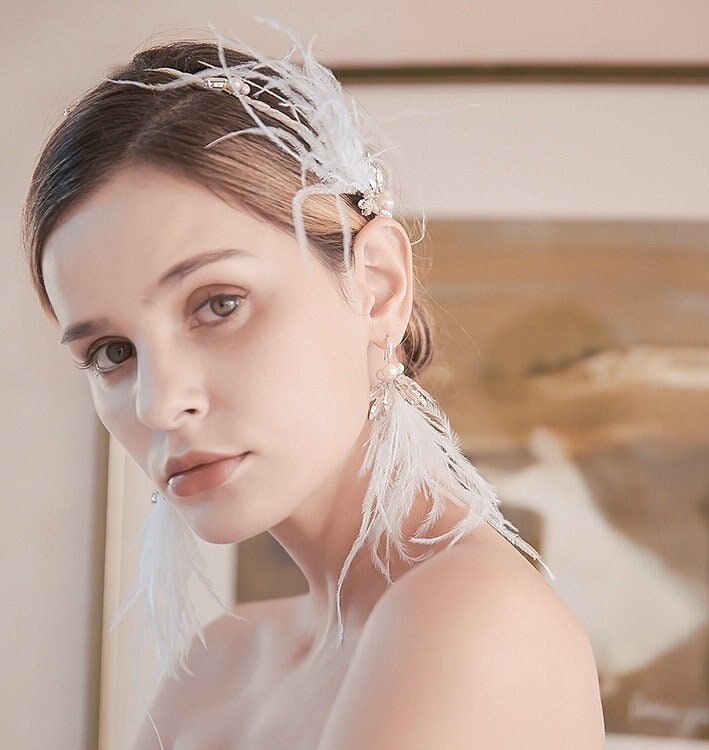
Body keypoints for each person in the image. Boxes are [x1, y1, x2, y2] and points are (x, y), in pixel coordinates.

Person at [24, 26, 605, 750]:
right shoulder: (222, 659)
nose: (159, 403)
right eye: (112, 352)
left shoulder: (470, 619)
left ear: (378, 285)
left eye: (218, 304)